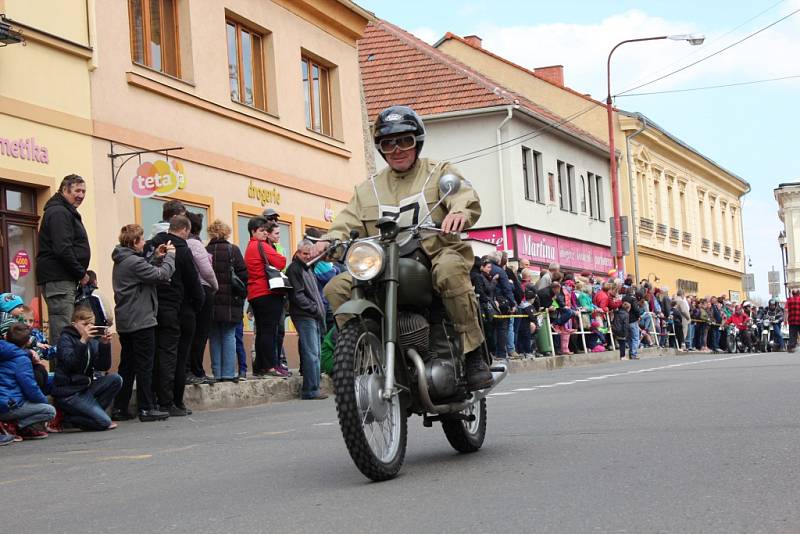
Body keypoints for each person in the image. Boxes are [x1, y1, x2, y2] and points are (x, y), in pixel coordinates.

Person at [316, 106, 493, 391]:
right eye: (388, 143)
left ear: (417, 142)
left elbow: (464, 195)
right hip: (382, 262)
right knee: (336, 287)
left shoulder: (439, 173)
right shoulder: (367, 189)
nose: (397, 149)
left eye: (405, 141)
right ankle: (366, 353)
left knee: (449, 270)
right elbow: (346, 222)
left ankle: (473, 353)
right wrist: (328, 241)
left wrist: (459, 211)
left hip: (434, 251)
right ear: (381, 148)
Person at [111, 224, 174, 422]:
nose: (145, 242)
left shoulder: (123, 260)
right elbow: (160, 275)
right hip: (141, 319)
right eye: (142, 239)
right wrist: (170, 257)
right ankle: (146, 407)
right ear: (134, 242)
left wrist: (156, 257)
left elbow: (143, 271)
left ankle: (120, 407)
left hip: (127, 319)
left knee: (128, 365)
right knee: (145, 365)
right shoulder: (133, 262)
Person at [147, 215, 204, 416]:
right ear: (185, 230)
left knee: (157, 354)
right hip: (177, 308)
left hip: (153, 307)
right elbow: (193, 281)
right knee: (176, 356)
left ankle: (154, 399)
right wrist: (199, 303)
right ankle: (171, 401)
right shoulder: (182, 249)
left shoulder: (153, 244)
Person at [36, 174, 91, 345]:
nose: (81, 195)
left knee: (67, 328)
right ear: (64, 190)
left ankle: (67, 369)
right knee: (63, 330)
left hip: (63, 278)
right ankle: (62, 371)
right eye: (77, 190)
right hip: (59, 279)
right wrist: (80, 273)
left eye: (83, 191)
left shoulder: (63, 210)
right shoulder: (59, 212)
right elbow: (63, 248)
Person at [51, 307, 121, 431]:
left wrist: (105, 345)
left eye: (92, 324)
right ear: (74, 324)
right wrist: (82, 341)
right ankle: (70, 419)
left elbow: (103, 366)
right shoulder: (65, 339)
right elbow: (70, 364)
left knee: (115, 379)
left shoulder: (92, 341)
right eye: (84, 324)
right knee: (104, 423)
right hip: (69, 392)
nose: (88, 327)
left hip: (85, 388)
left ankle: (92, 415)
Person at [245, 217, 288, 378]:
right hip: (267, 293)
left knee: (262, 331)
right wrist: (274, 247)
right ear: (253, 231)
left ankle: (260, 366)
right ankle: (269, 366)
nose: (265, 233)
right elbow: (281, 261)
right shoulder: (260, 245)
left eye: (265, 230)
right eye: (261, 231)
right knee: (269, 331)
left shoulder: (249, 246)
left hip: (255, 294)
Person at [206, 220, 248, 382]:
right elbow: (243, 275)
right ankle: (229, 373)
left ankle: (217, 373)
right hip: (232, 300)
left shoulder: (206, 250)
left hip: (211, 300)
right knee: (229, 335)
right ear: (226, 232)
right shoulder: (233, 250)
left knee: (214, 336)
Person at [286, 240, 328, 400]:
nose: (307, 256)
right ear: (297, 253)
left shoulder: (308, 268)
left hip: (313, 315)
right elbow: (297, 295)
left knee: (315, 352)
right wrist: (314, 307)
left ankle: (314, 387)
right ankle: (310, 390)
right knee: (311, 353)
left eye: (309, 253)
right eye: (304, 253)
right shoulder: (295, 269)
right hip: (304, 315)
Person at [0, 330, 55, 440]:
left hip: (5, 399)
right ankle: (15, 425)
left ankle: (17, 426)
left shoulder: (5, 351)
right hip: (9, 405)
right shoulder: (21, 359)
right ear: (27, 342)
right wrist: (43, 401)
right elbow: (30, 388)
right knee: (50, 411)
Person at [185, 212, 219, 384]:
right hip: (202, 289)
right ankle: (196, 370)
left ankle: (192, 369)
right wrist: (215, 285)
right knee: (200, 333)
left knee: (193, 333)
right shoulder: (195, 244)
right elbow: (206, 270)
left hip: (190, 290)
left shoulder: (184, 243)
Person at [786, 288, 800, 352]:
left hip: (792, 321)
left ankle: (791, 347)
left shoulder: (789, 300)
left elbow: (786, 310)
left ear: (792, 293)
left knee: (792, 335)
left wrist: (785, 320)